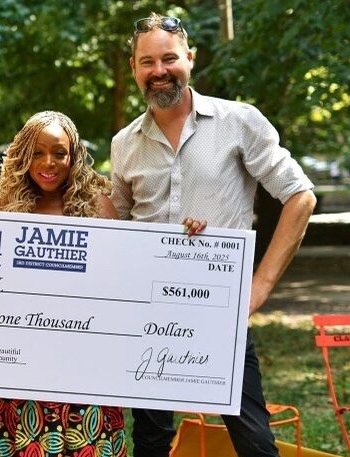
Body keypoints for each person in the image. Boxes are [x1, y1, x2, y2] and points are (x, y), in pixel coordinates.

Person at [111, 14, 316, 457]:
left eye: (169, 58)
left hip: (218, 312)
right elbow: (116, 224)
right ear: (133, 67)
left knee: (254, 442)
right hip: (149, 314)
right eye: (148, 61)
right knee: (149, 440)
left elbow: (300, 197)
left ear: (190, 57)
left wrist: (259, 287)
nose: (159, 70)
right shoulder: (124, 143)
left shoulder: (238, 122)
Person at [0, 111, 132, 457]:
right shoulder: (3, 210)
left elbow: (124, 281)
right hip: (22, 371)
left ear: (74, 157)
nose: (48, 162)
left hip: (87, 366)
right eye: (37, 152)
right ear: (23, 156)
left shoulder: (99, 209)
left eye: (59, 152)